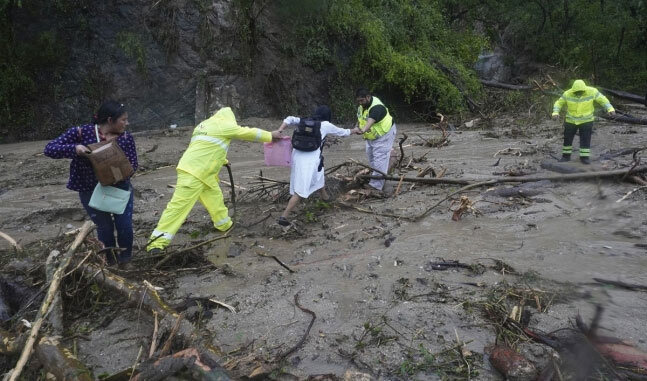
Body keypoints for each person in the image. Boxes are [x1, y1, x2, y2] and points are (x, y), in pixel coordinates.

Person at [147, 107, 282, 252]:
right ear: (230, 118)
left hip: (201, 172)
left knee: (215, 199)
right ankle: (156, 244)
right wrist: (270, 135)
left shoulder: (203, 125)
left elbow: (207, 147)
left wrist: (223, 160)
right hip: (195, 173)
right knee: (177, 208)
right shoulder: (224, 125)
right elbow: (246, 132)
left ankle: (224, 225)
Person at [44, 100, 138, 265]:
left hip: (120, 188)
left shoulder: (126, 138)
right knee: (105, 228)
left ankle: (126, 260)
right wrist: (75, 149)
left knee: (124, 226)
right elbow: (49, 149)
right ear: (110, 120)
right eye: (123, 120)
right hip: (90, 189)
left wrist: (117, 170)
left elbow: (133, 164)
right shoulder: (81, 133)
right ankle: (110, 262)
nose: (127, 123)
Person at [275, 105, 354, 226]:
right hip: (309, 160)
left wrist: (280, 130)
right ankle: (284, 217)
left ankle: (325, 197)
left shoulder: (303, 121)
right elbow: (343, 132)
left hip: (297, 157)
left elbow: (289, 119)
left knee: (319, 172)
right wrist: (356, 130)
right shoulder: (326, 125)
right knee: (301, 190)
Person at [552, 79, 615, 164]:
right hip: (571, 120)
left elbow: (603, 100)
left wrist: (610, 109)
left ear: (584, 89)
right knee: (567, 139)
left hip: (586, 120)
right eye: (576, 92)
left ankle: (584, 158)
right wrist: (555, 112)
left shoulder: (592, 91)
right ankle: (566, 156)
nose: (578, 93)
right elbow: (558, 103)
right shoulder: (567, 93)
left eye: (580, 91)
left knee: (585, 139)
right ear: (573, 90)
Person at [354, 88, 397, 192]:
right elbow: (361, 118)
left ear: (368, 97)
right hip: (372, 136)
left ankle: (375, 186)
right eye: (358, 101)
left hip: (384, 135)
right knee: (371, 156)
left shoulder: (377, 107)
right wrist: (356, 126)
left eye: (362, 100)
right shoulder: (363, 105)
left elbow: (369, 122)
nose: (360, 103)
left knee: (380, 159)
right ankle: (378, 176)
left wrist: (362, 130)